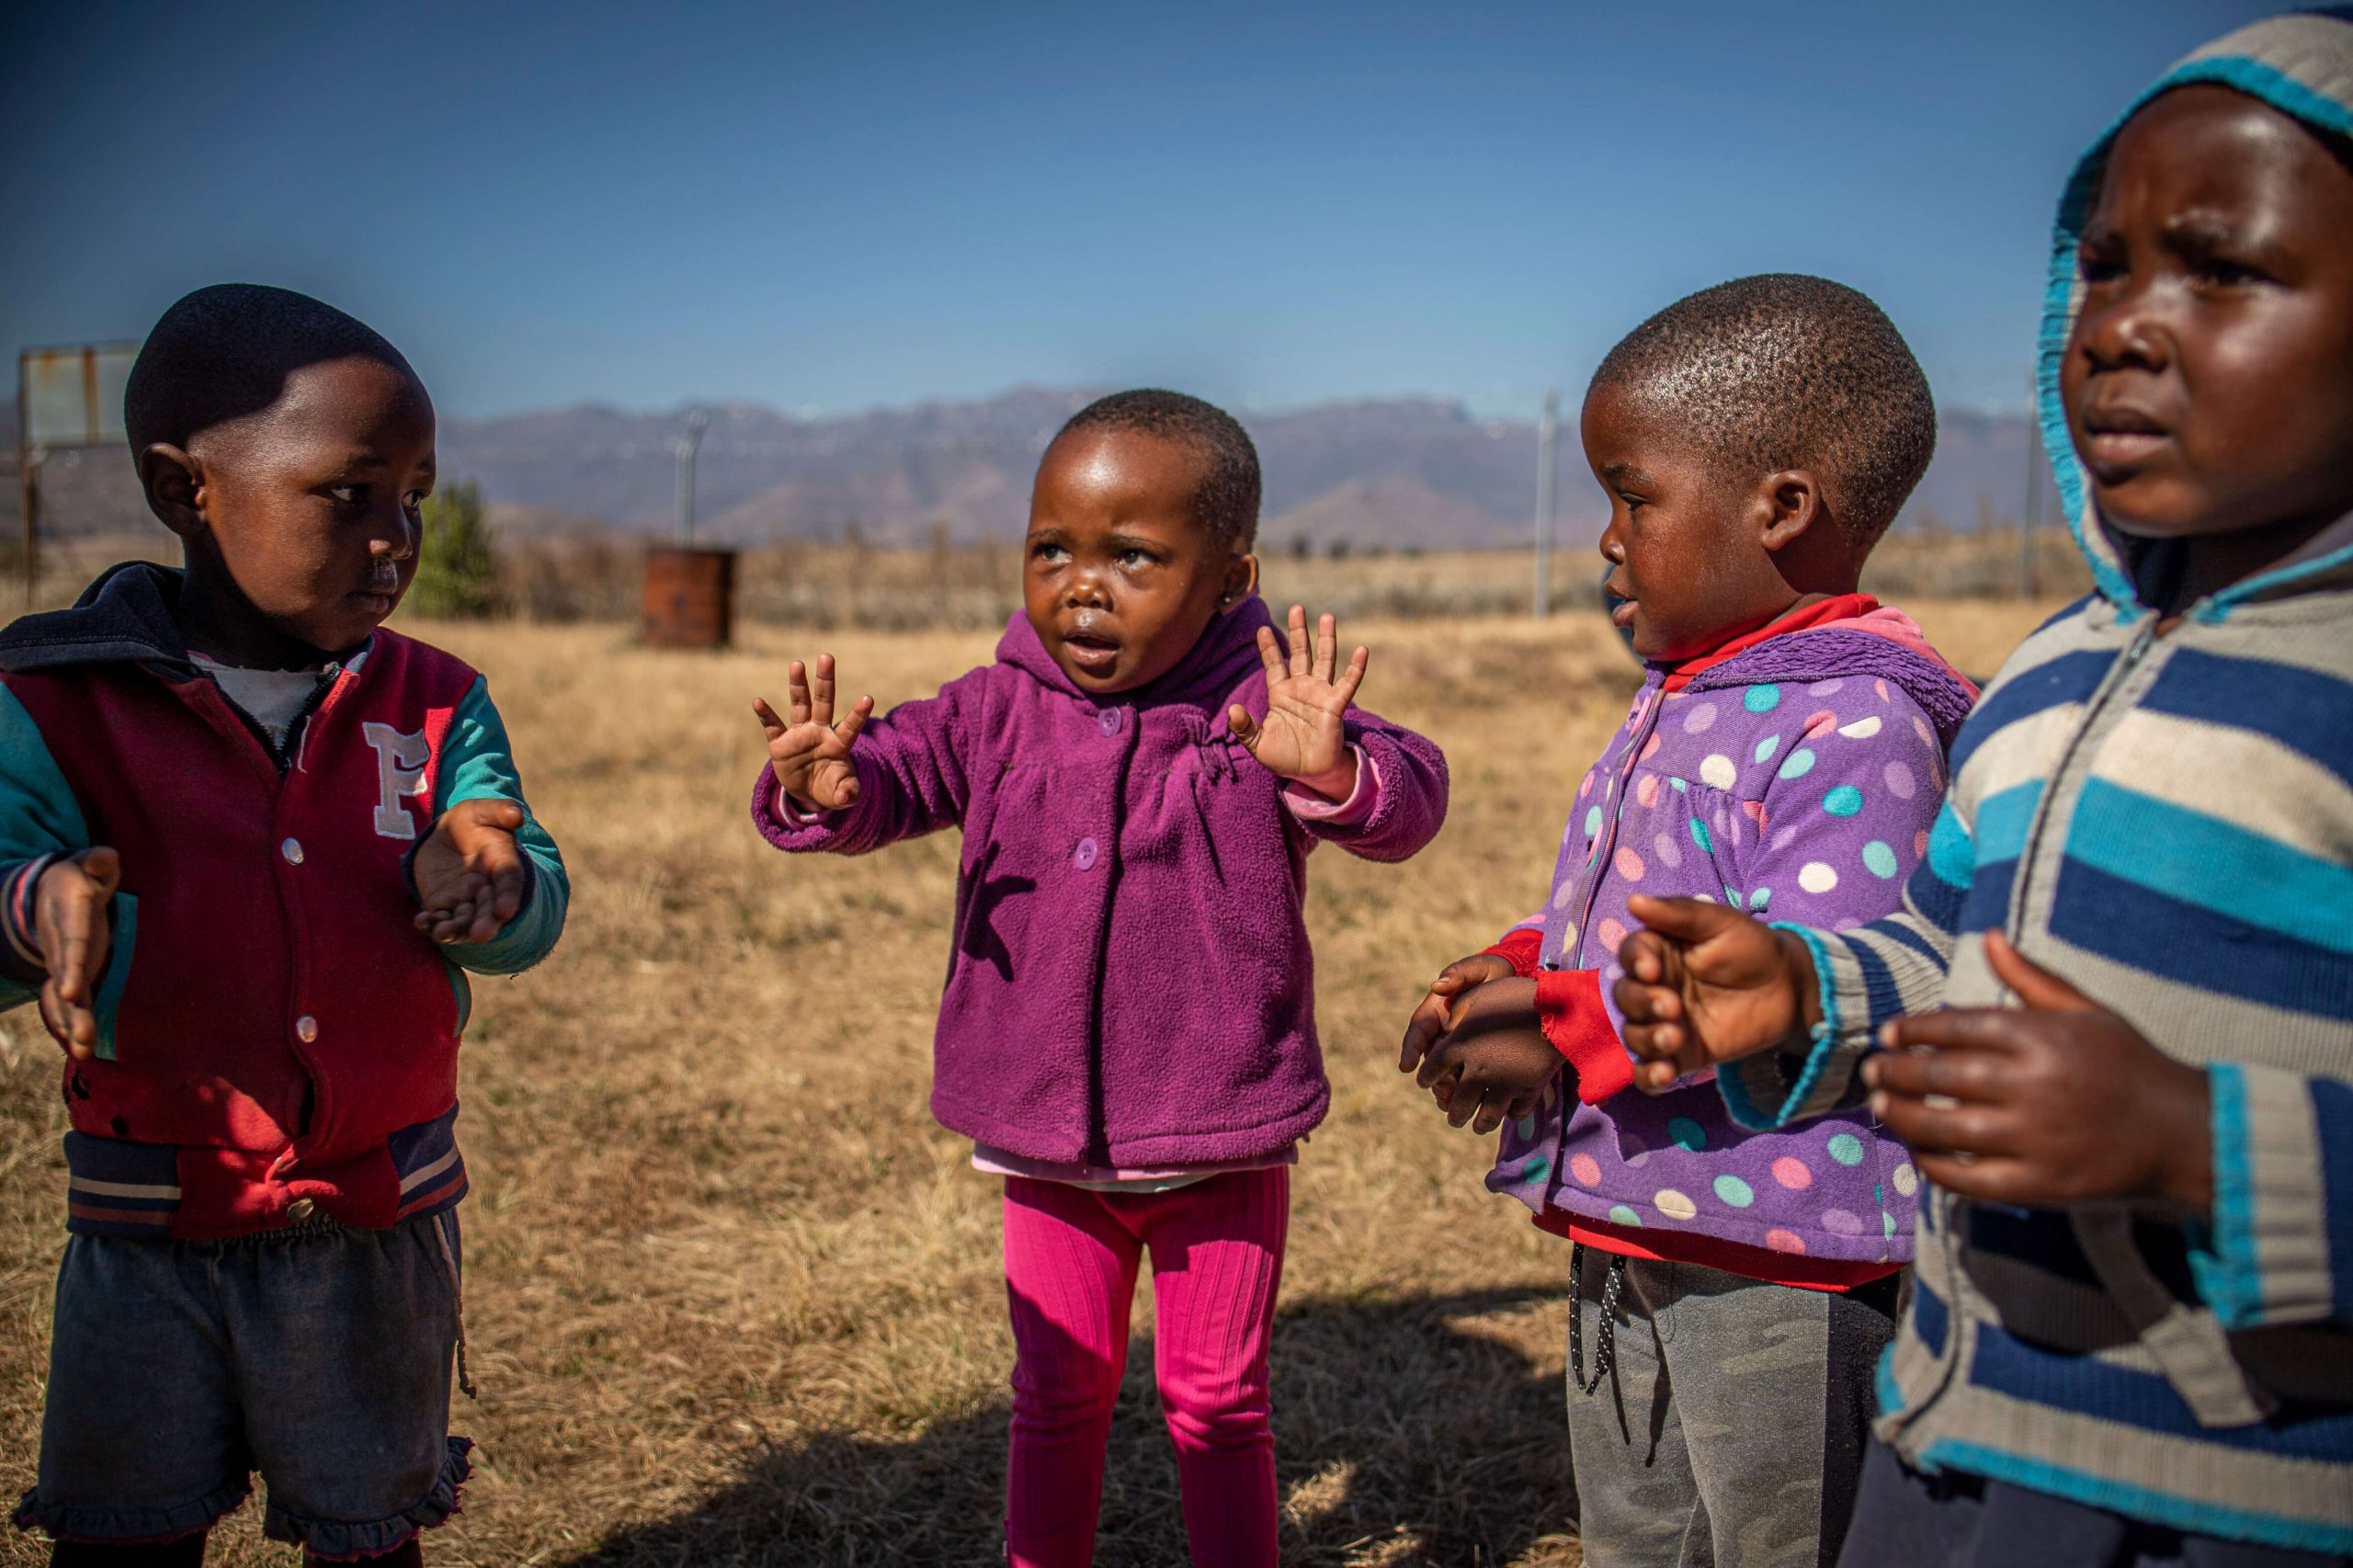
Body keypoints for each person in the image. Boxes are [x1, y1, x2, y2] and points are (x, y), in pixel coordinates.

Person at [1612, 14, 2353, 1563]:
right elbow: (1940, 958)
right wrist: (1805, 992)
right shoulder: (2040, 680)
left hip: (2242, 1497)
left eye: (2222, 269)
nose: (2122, 329)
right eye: (2103, 267)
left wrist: (2196, 1144)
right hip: (1948, 1438)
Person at [749, 389, 1447, 1568]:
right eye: (1052, 548)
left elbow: (1408, 795)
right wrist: (833, 786)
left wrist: (1333, 767)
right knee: (1055, 1392)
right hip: (1044, 1140)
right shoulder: (992, 705)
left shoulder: (1253, 710)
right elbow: (897, 775)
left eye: (1132, 556)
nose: (1082, 583)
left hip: (1217, 1132)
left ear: (1230, 579)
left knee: (1217, 1402)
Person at [1403, 276, 1978, 1567]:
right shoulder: (1704, 688)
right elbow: (1644, 904)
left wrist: (1558, 1030)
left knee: (1777, 1539)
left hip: (1777, 1248)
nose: (1608, 536)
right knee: (1641, 1529)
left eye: (1634, 494)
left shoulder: (1860, 720)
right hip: (1644, 1207)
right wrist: (1518, 969)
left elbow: (1803, 978)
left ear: (1779, 507)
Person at [5, 284, 569, 1566]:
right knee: (124, 1530)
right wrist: (38, 902)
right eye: (350, 493)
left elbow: (519, 864)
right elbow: (2, 871)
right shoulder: (53, 699)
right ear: (181, 487)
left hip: (378, 1216)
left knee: (370, 1533)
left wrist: (497, 877)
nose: (397, 535)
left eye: (415, 495)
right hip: (149, 1228)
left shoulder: (436, 699)